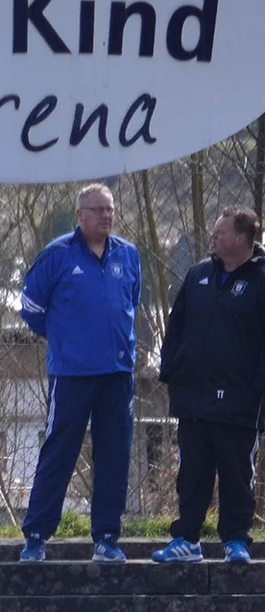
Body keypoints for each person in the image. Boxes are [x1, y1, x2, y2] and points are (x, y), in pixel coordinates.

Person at [17, 184, 141, 563]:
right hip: (71, 374)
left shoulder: (128, 254)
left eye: (110, 209)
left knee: (114, 457)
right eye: (98, 209)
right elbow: (30, 305)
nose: (106, 216)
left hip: (117, 373)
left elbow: (131, 302)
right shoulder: (58, 254)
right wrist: (62, 336)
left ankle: (106, 537)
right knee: (59, 453)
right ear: (80, 214)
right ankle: (36, 536)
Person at [154, 207, 265, 566]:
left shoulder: (261, 278)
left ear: (241, 239)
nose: (213, 237)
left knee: (236, 473)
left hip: (239, 401)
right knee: (192, 473)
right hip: (193, 398)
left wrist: (257, 387)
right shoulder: (198, 274)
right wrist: (171, 370)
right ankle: (186, 539)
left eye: (221, 232)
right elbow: (176, 327)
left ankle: (235, 540)